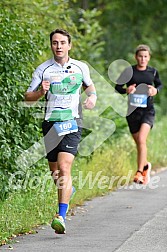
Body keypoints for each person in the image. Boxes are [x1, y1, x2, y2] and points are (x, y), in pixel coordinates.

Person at [25, 28, 97, 234]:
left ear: (69, 45)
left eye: (62, 43)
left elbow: (90, 88)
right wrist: (40, 92)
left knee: (65, 168)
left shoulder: (80, 67)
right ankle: (68, 190)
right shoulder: (43, 69)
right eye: (55, 43)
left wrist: (91, 98)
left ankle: (61, 216)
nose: (59, 46)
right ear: (51, 45)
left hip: (72, 122)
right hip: (51, 124)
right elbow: (27, 97)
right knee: (55, 173)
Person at [115, 44, 163, 185]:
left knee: (142, 139)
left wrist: (156, 90)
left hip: (148, 111)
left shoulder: (153, 72)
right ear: (136, 57)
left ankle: (139, 172)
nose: (142, 59)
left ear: (149, 58)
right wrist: (126, 90)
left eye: (145, 57)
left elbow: (159, 85)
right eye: (140, 56)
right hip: (132, 112)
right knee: (139, 143)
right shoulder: (129, 71)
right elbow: (118, 87)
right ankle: (146, 166)